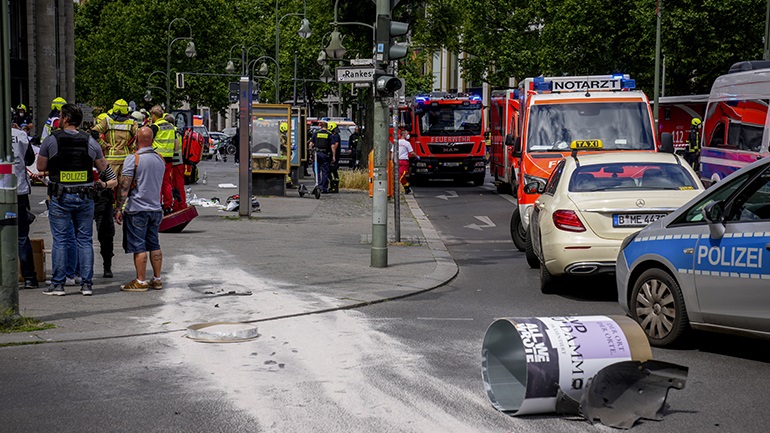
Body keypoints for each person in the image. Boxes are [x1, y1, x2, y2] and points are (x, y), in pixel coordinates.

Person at [37, 104, 115, 296]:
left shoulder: (52, 140)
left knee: (61, 241)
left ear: (64, 119)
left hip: (60, 195)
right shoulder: (90, 141)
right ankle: (86, 284)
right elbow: (103, 167)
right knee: (85, 240)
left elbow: (40, 166)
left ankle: (58, 284)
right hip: (84, 196)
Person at [115, 127, 166, 292]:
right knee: (154, 243)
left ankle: (141, 281)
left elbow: (125, 185)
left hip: (137, 208)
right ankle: (157, 279)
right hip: (155, 208)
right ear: (151, 139)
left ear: (136, 139)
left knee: (139, 246)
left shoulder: (133, 159)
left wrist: (118, 208)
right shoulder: (160, 159)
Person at [12, 123, 38, 289]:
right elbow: (29, 159)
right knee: (22, 237)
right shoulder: (20, 135)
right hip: (18, 189)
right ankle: (29, 278)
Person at [91, 99, 138, 180]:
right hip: (126, 159)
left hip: (111, 159)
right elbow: (140, 136)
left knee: (110, 186)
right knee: (124, 187)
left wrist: (104, 145)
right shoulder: (132, 123)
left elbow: (94, 132)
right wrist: (132, 147)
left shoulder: (107, 121)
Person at [148, 105, 176, 214]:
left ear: (154, 115)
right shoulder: (170, 126)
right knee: (166, 182)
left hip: (158, 158)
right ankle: (168, 206)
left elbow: (148, 140)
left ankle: (157, 204)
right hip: (169, 157)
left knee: (157, 183)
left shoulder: (155, 127)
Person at [308, 121, 335, 193]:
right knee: (325, 171)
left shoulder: (316, 133)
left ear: (321, 126)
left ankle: (318, 185)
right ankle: (324, 187)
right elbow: (333, 146)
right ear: (327, 127)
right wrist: (334, 156)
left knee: (316, 170)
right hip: (325, 155)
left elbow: (310, 144)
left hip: (316, 154)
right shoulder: (329, 135)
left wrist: (311, 153)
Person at [398, 129, 418, 194]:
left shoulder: (397, 142)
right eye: (407, 134)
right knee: (401, 176)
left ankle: (406, 188)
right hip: (403, 162)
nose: (408, 135)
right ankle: (404, 188)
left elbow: (393, 152)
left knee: (402, 176)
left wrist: (392, 160)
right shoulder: (406, 143)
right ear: (404, 134)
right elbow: (411, 152)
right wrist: (417, 156)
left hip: (400, 161)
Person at [328, 121, 341, 193]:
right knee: (333, 172)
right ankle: (334, 187)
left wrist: (332, 154)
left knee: (332, 171)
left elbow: (335, 145)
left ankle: (334, 187)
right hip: (335, 156)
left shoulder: (335, 136)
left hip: (334, 157)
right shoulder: (335, 135)